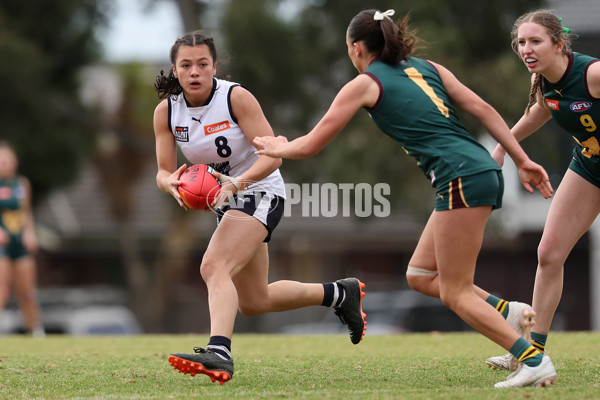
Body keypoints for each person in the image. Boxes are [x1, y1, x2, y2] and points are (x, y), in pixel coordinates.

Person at [254, 9, 557, 389]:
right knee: (419, 275)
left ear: (356, 48)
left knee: (455, 292)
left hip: (459, 176)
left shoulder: (364, 83)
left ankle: (533, 359)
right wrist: (522, 159)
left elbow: (312, 144)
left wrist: (278, 147)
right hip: (476, 171)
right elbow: (482, 109)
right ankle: (508, 312)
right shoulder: (427, 66)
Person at [153, 31, 367, 385]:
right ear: (175, 70)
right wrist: (169, 183)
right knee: (254, 301)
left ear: (215, 67)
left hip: (260, 190)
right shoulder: (167, 112)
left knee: (213, 265)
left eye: (202, 64)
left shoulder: (235, 98)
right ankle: (339, 293)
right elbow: (163, 171)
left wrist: (237, 183)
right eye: (186, 65)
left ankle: (219, 352)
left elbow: (273, 159)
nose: (195, 72)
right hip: (228, 200)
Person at [488, 9, 600, 384]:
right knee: (548, 253)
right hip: (589, 167)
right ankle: (533, 354)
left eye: (535, 41)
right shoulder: (545, 82)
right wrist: (504, 147)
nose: (526, 49)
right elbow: (541, 112)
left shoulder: (592, 74)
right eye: (521, 42)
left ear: (558, 43)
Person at [0, 141, 45, 337]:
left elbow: (27, 212)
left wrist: (30, 233)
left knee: (27, 291)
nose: (5, 164)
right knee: (2, 289)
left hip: (20, 243)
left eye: (8, 160)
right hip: (2, 245)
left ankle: (35, 330)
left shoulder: (22, 183)